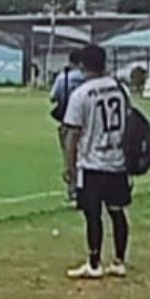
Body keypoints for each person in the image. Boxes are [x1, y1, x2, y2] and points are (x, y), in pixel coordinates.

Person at [62, 45, 131, 279]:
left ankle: (94, 262)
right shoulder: (120, 89)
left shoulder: (81, 94)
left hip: (92, 164)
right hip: (118, 160)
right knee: (117, 211)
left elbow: (72, 133)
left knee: (93, 214)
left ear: (82, 65)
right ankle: (119, 260)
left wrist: (69, 166)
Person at [51, 51, 86, 202]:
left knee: (70, 154)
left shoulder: (63, 77)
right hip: (88, 122)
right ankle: (87, 188)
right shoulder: (87, 79)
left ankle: (73, 189)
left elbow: (53, 97)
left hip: (68, 122)